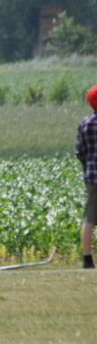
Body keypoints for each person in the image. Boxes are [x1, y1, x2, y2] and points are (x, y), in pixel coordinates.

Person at [75, 85, 97, 269]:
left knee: (89, 216)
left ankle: (87, 259)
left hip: (91, 175)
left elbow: (79, 151)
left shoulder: (85, 123)